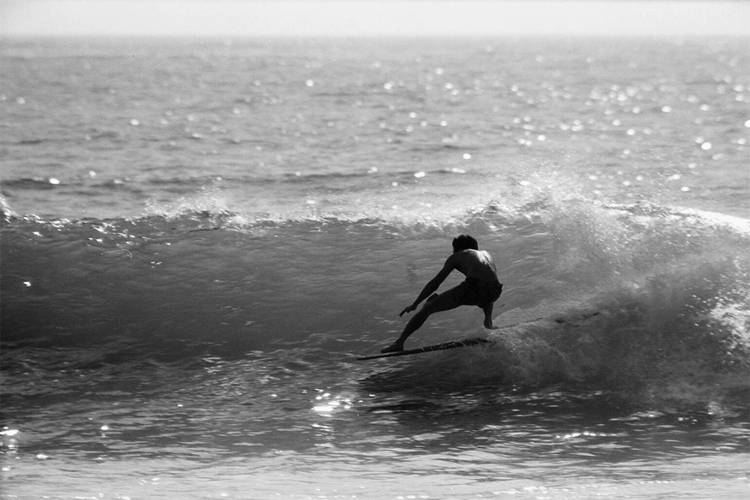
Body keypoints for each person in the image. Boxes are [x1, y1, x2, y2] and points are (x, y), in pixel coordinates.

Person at [381, 235, 503, 353]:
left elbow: (436, 282)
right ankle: (489, 324)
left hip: (474, 287)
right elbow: (487, 282)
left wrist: (415, 304)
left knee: (428, 308)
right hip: (496, 290)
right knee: (486, 290)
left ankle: (399, 343)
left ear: (457, 249)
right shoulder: (487, 255)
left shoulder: (458, 256)